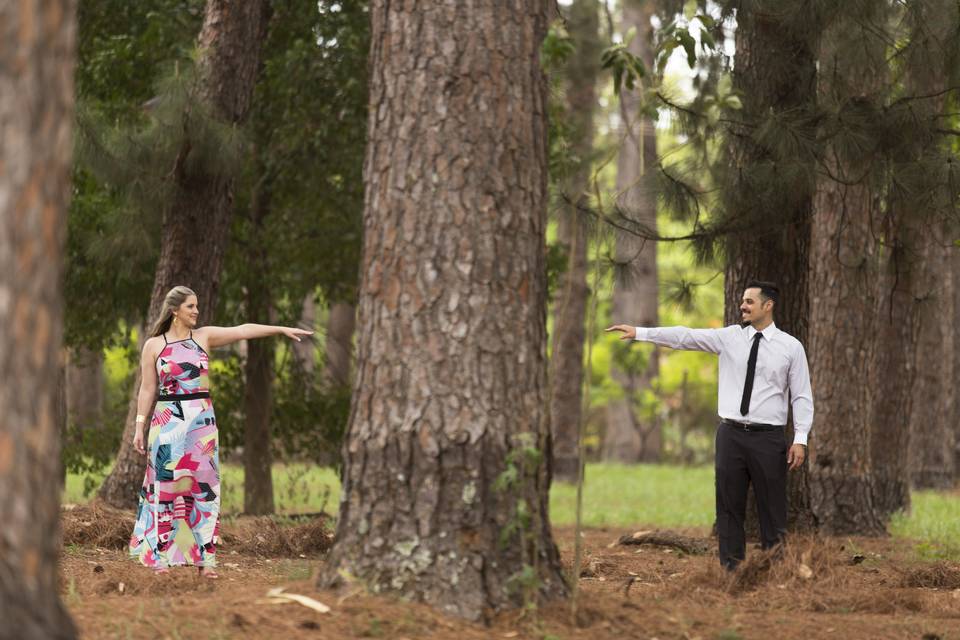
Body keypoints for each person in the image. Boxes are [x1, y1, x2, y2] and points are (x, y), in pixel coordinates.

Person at [606, 280, 814, 570]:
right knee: (728, 506)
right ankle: (731, 571)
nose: (743, 305)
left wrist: (800, 438)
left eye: (750, 301)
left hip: (769, 439)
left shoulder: (791, 348)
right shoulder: (729, 338)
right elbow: (684, 337)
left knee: (772, 509)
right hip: (730, 435)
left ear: (768, 306)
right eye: (743, 300)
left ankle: (775, 569)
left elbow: (802, 395)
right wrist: (639, 333)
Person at [128, 285, 313, 577]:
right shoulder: (154, 345)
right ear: (175, 310)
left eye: (197, 306)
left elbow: (242, 330)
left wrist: (280, 329)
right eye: (191, 306)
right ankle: (160, 555)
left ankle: (205, 560)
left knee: (204, 488)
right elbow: (148, 388)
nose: (197, 311)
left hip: (201, 423)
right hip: (167, 422)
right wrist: (139, 426)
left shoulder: (204, 337)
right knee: (166, 487)